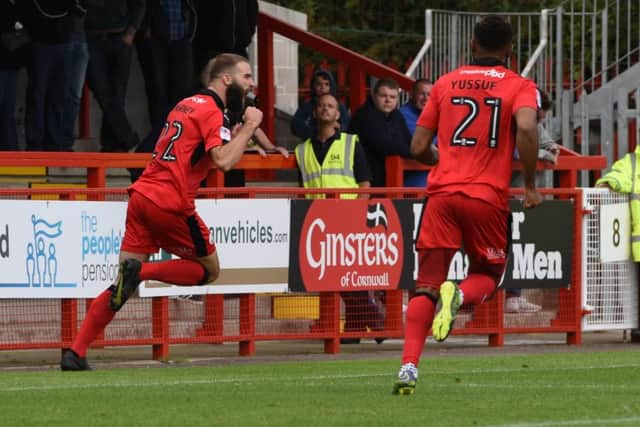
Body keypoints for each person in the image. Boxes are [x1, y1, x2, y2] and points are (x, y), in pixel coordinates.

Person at [60, 53, 263, 371]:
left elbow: (197, 148)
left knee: (120, 285)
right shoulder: (212, 111)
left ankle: (76, 351)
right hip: (170, 201)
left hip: (142, 195)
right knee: (209, 270)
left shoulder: (186, 104)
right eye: (247, 76)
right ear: (226, 79)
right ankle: (142, 274)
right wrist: (250, 126)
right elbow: (223, 160)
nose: (252, 83)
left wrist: (245, 136)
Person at [392, 15, 542, 395]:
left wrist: (441, 163)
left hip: (441, 195)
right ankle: (459, 295)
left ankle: (408, 367)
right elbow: (526, 128)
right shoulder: (521, 85)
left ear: (472, 45)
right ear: (510, 51)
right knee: (489, 274)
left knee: (425, 285)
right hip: (486, 196)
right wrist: (528, 183)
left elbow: (416, 148)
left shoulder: (445, 83)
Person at [294, 93, 383, 344]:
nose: (325, 109)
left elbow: (364, 184)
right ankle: (365, 323)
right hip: (319, 222)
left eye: (330, 106)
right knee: (338, 278)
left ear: (338, 115)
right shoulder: (302, 150)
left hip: (347, 218)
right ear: (314, 112)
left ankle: (371, 320)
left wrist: (357, 218)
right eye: (320, 105)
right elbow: (303, 189)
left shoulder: (351, 143)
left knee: (348, 277)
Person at [130, 0, 197, 181]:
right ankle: (156, 147)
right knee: (157, 94)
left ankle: (172, 144)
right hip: (154, 39)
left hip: (181, 39)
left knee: (181, 98)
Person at [505, 89, 557, 313]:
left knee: (516, 245)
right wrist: (544, 154)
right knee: (494, 248)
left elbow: (549, 146)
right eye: (538, 117)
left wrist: (547, 150)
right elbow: (518, 151)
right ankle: (478, 299)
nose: (538, 122)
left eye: (541, 119)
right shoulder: (506, 121)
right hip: (497, 192)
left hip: (519, 195)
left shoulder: (534, 122)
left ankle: (513, 297)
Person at [85, 0, 145, 152]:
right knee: (102, 92)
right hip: (92, 39)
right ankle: (128, 138)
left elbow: (139, 4)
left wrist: (132, 31)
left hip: (120, 37)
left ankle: (111, 144)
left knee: (117, 95)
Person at [349, 78, 412, 187]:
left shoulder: (397, 116)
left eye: (392, 97)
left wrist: (422, 149)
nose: (388, 100)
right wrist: (418, 151)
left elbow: (409, 141)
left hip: (390, 179)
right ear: (374, 96)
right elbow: (384, 146)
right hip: (365, 181)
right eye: (383, 96)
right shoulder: (364, 115)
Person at [192, 0, 257, 90]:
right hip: (209, 49)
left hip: (238, 48)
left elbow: (252, 10)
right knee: (209, 87)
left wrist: (247, 34)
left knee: (240, 87)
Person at [291, 68, 350, 141]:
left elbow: (347, 127)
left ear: (331, 87)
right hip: (312, 143)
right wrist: (319, 131)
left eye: (326, 84)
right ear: (313, 86)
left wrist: (338, 127)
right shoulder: (306, 107)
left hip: (335, 143)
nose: (323, 87)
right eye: (319, 84)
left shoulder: (340, 107)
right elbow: (295, 126)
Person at [399, 78, 434, 187]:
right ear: (412, 94)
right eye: (421, 94)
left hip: (434, 182)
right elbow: (419, 142)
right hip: (412, 184)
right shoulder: (402, 115)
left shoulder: (437, 114)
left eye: (429, 94)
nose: (425, 98)